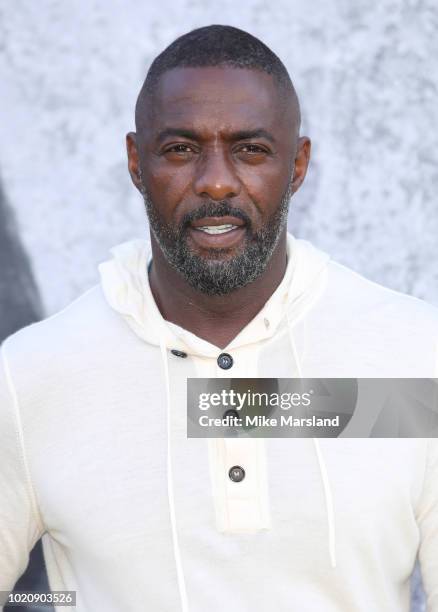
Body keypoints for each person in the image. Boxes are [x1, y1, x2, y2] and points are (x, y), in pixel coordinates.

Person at [0, 24, 437, 612]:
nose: (215, 181)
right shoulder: (30, 380)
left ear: (298, 164)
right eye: (181, 149)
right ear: (136, 161)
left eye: (251, 149)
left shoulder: (414, 355)